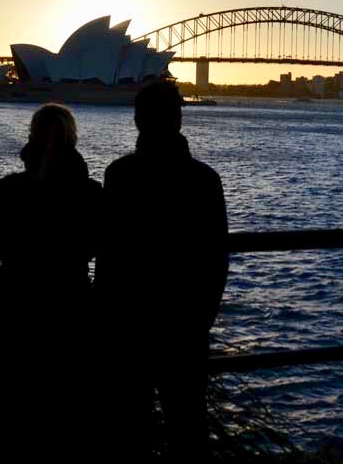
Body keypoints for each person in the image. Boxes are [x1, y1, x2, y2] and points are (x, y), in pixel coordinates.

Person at [95, 81, 230, 460]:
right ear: (179, 118)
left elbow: (109, 257)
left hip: (128, 328)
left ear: (137, 120)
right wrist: (200, 320)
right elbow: (217, 260)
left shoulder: (119, 175)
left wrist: (104, 319)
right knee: (188, 428)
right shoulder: (206, 180)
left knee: (128, 430)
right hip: (185, 328)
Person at [0, 103, 102, 450]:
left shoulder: (6, 190)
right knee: (68, 415)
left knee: (13, 414)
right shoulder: (93, 194)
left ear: (31, 138)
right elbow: (99, 242)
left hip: (16, 310)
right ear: (73, 140)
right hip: (71, 310)